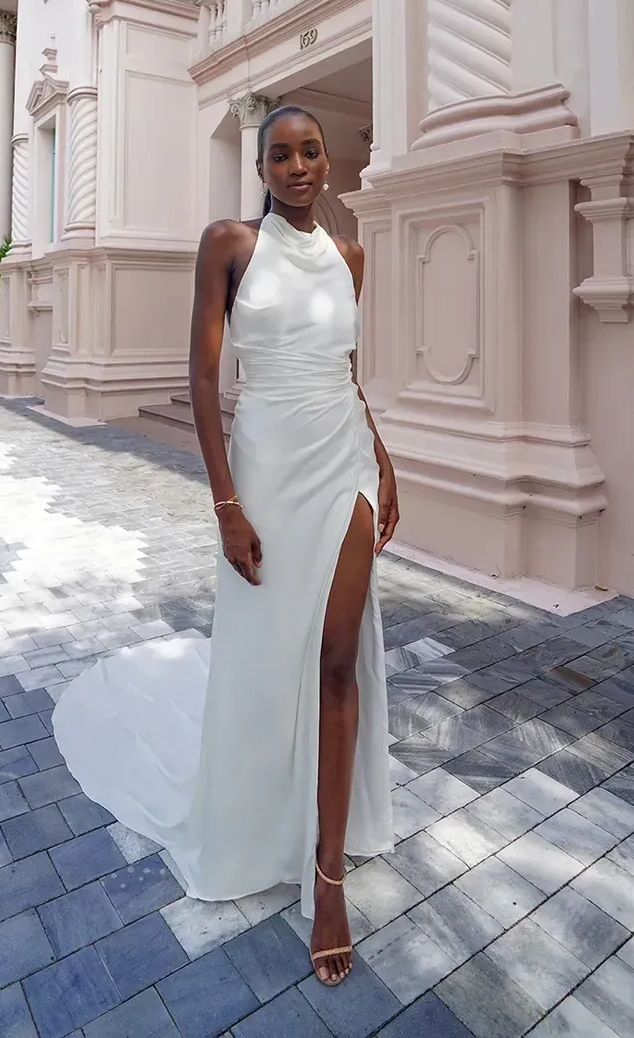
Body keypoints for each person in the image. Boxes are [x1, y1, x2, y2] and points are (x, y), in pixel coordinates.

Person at [53, 105, 397, 987]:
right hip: (266, 474)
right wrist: (226, 505)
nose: (297, 167)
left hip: (345, 465)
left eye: (310, 152)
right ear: (261, 167)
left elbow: (349, 372)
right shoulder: (230, 245)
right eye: (279, 155)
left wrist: (386, 461)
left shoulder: (352, 255)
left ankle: (328, 879)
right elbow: (204, 376)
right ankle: (262, 815)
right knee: (266, 662)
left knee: (335, 659)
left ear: (328, 160)